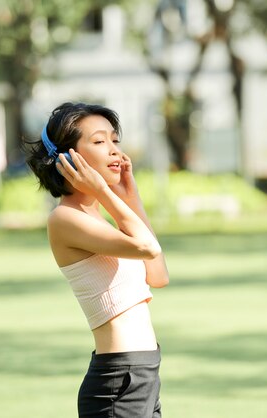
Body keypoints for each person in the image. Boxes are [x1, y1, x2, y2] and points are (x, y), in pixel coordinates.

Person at [25, 102, 169, 417]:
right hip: (120, 379)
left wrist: (131, 197)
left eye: (115, 140)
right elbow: (148, 248)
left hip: (143, 372)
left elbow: (158, 275)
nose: (115, 151)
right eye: (100, 141)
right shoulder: (65, 219)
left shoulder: (99, 218)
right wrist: (106, 191)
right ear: (67, 157)